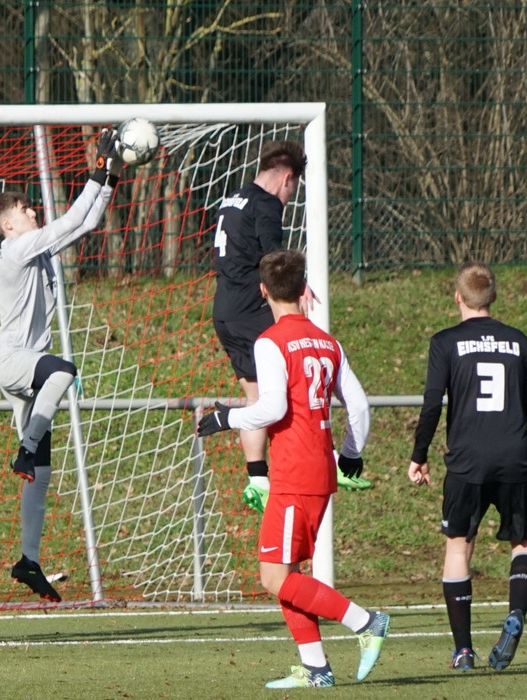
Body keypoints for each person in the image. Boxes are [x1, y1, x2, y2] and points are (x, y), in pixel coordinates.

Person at [197, 249, 386, 689]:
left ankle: (366, 622)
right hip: (319, 472)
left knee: (273, 576)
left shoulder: (270, 342)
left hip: (294, 472)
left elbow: (272, 408)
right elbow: (358, 406)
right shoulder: (327, 342)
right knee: (287, 574)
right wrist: (351, 454)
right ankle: (316, 668)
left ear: (262, 291)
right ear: (303, 289)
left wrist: (226, 417)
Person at [0, 128, 123, 602]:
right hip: (15, 362)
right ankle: (25, 449)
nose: (33, 212)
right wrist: (95, 170)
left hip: (27, 370)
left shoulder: (34, 248)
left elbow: (85, 222)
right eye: (25, 210)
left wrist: (109, 177)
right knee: (64, 370)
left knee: (40, 475)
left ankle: (28, 560)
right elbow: (70, 220)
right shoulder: (16, 248)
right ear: (8, 224)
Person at [209, 140, 368, 515]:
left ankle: (258, 480)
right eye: (292, 188)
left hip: (224, 310)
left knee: (257, 395)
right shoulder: (266, 204)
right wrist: (299, 284)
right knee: (301, 371)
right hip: (253, 308)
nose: (289, 195)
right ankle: (328, 457)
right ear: (287, 178)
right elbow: (273, 256)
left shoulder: (232, 198)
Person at [407, 261, 527, 672]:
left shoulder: (445, 341)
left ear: (457, 297)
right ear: (493, 297)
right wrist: (508, 426)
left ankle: (464, 651)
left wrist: (419, 454)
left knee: (458, 545)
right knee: (525, 542)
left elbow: (432, 404)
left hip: (467, 461)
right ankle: (515, 614)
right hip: (514, 455)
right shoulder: (517, 340)